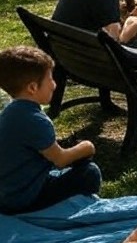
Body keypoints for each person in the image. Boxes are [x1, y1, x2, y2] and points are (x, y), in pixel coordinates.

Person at [0, 47, 101, 215]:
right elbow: (60, 159)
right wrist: (86, 147)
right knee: (89, 172)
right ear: (32, 87)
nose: (54, 85)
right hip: (21, 199)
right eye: (50, 79)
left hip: (6, 191)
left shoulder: (10, 111)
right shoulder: (36, 120)